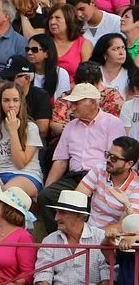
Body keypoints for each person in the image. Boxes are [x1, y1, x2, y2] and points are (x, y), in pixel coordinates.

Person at [40, 83, 127, 235]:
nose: (71, 108)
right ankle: (59, 239)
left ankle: (86, 238)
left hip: (101, 177)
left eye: (76, 103)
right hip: (74, 177)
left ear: (93, 102)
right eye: (71, 103)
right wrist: (47, 187)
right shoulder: (70, 126)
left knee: (89, 202)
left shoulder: (112, 123)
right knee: (46, 196)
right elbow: (60, 161)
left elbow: (114, 159)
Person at [0, 82, 43, 198]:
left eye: (15, 100)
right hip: (0, 175)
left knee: (7, 192)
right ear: (0, 103)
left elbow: (20, 163)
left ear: (21, 103)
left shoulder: (31, 128)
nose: (11, 105)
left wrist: (13, 131)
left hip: (26, 175)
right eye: (6, 100)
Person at [74, 136, 139, 230]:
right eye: (108, 155)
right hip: (88, 229)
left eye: (114, 158)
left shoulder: (136, 187)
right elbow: (77, 197)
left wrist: (97, 235)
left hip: (113, 236)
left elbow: (125, 226)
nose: (108, 160)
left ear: (129, 164)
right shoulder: (101, 168)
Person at [0, 55, 52, 138]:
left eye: (11, 78)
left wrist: (14, 129)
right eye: (5, 78)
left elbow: (42, 130)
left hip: (30, 139)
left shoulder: (41, 96)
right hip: (2, 138)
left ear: (27, 78)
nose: (6, 82)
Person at [50, 62, 124, 138]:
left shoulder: (112, 96)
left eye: (91, 85)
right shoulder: (66, 96)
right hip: (68, 138)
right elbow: (55, 124)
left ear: (98, 82)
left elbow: (110, 125)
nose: (86, 88)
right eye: (82, 84)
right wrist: (71, 128)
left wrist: (74, 127)